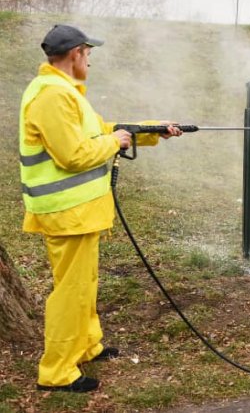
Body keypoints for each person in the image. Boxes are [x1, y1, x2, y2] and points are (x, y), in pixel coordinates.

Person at [19, 24, 182, 393]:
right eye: (88, 54)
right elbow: (73, 154)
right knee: (71, 291)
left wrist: (150, 129)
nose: (89, 62)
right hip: (67, 212)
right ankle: (57, 371)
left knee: (85, 283)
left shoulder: (65, 92)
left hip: (78, 212)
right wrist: (114, 142)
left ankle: (86, 345)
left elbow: (100, 130)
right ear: (76, 53)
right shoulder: (52, 95)